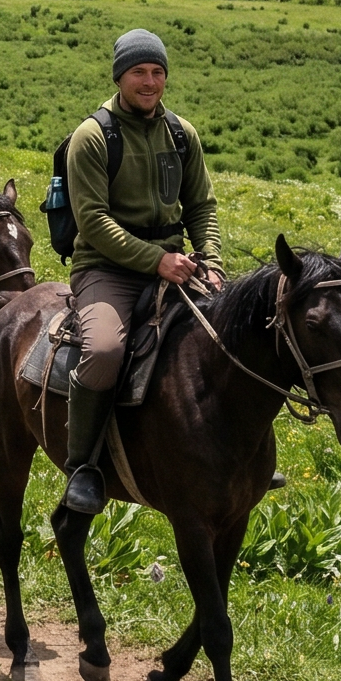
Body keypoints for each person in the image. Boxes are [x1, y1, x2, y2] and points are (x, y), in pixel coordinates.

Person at [61, 29, 222, 516]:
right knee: (104, 351)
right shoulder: (93, 137)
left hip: (175, 265)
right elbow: (93, 222)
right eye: (138, 72)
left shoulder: (181, 134)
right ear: (119, 77)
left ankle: (238, 455)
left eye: (157, 72)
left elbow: (201, 206)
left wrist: (211, 262)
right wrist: (156, 261)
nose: (149, 82)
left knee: (237, 333)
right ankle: (82, 466)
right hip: (106, 268)